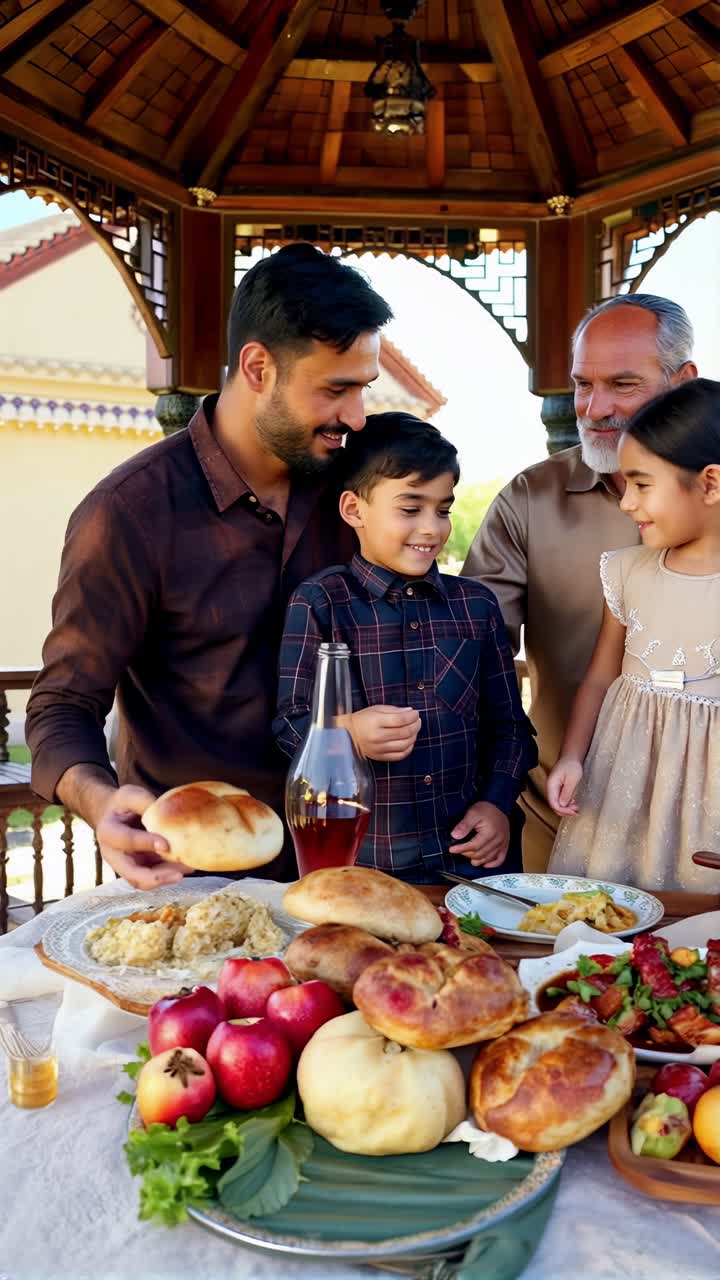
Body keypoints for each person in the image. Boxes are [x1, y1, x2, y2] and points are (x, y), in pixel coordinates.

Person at [25, 244, 393, 890]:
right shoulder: (129, 512)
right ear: (258, 367)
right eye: (336, 390)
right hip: (192, 881)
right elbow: (62, 705)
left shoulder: (358, 489)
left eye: (363, 389)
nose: (357, 417)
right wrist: (100, 801)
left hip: (353, 865)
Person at [462, 294, 698, 872]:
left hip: (706, 827)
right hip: (564, 823)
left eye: (622, 384)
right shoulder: (529, 499)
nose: (594, 408)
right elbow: (466, 657)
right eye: (582, 385)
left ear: (683, 382)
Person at [273, 413, 537, 883]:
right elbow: (289, 726)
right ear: (354, 510)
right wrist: (347, 732)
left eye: (443, 509)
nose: (432, 529)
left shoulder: (476, 606)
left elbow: (512, 731)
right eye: (410, 509)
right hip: (365, 867)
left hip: (470, 867)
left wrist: (496, 804)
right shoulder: (320, 603)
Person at [546, 379, 720, 891]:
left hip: (709, 797)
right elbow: (601, 676)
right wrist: (573, 757)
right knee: (609, 913)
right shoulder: (627, 572)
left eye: (643, 484)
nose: (626, 503)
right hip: (621, 790)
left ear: (710, 483)